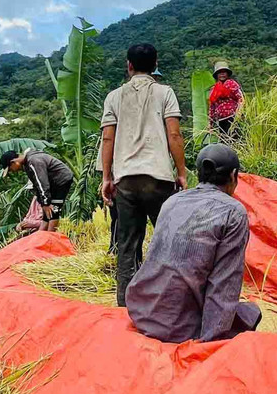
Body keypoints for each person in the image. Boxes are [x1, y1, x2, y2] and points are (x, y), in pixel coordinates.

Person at [125, 143, 262, 343]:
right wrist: (208, 342)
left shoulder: (172, 201)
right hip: (179, 326)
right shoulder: (234, 212)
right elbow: (224, 282)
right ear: (233, 176)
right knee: (250, 313)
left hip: (143, 311)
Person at [100, 43, 188, 307]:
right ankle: (171, 301)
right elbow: (174, 134)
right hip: (158, 178)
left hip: (125, 179)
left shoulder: (114, 97)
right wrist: (181, 172)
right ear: (155, 65)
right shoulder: (165, 93)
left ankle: (126, 304)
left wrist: (106, 178)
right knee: (168, 241)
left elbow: (107, 138)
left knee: (127, 244)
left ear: (129, 65)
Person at [0, 148, 73, 232]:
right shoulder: (28, 164)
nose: (12, 171)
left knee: (54, 210)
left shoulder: (33, 161)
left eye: (10, 169)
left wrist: (45, 203)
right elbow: (37, 186)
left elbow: (42, 182)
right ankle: (41, 236)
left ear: (13, 162)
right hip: (53, 183)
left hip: (61, 180)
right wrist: (43, 202)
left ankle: (50, 237)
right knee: (47, 213)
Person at [207, 62, 244, 138]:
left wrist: (239, 113)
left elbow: (240, 99)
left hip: (233, 118)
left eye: (224, 72)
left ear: (227, 74)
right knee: (224, 141)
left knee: (233, 139)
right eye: (219, 73)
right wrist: (210, 123)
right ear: (217, 75)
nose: (222, 74)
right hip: (220, 120)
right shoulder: (214, 89)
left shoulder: (232, 84)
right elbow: (212, 106)